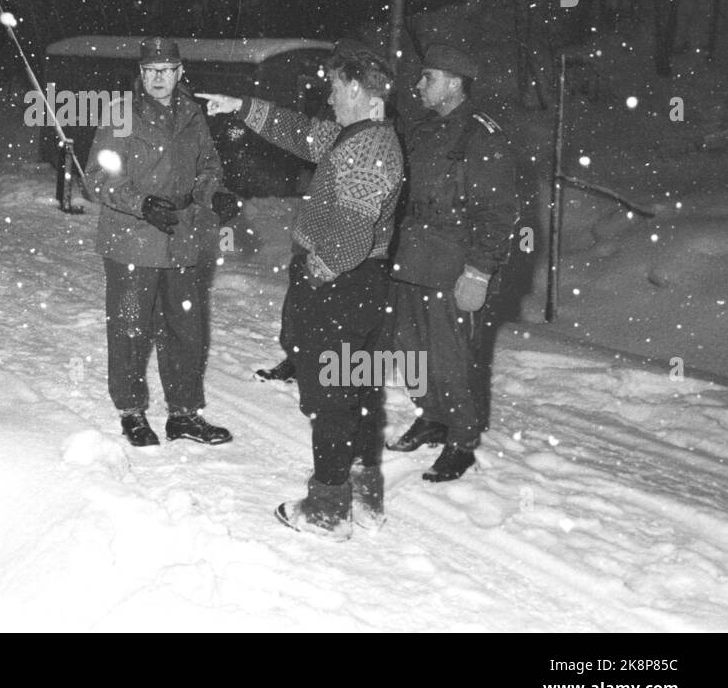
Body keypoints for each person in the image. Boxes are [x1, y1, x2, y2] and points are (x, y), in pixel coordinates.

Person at [200, 41, 404, 538]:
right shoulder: (359, 136)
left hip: (341, 285)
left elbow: (354, 233)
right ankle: (364, 499)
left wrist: (319, 269)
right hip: (362, 286)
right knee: (357, 389)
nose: (329, 96)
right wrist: (244, 108)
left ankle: (328, 508)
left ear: (356, 88)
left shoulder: (366, 147)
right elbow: (304, 134)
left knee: (330, 397)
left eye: (335, 86)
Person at [86, 38, 241, 448]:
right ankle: (131, 412)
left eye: (165, 69)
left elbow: (208, 167)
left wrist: (214, 194)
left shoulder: (193, 114)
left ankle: (184, 414)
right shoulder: (121, 113)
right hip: (131, 240)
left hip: (182, 237)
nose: (157, 78)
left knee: (185, 329)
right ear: (141, 72)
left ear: (179, 72)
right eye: (150, 70)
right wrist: (140, 203)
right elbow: (99, 176)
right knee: (130, 327)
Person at [382, 42, 518, 482]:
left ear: (455, 83)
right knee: (411, 348)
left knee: (452, 356)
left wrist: (479, 271)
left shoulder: (481, 135)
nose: (420, 85)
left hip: (454, 264)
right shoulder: (423, 131)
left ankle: (461, 438)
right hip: (412, 258)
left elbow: (498, 213)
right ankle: (431, 416)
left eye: (430, 78)